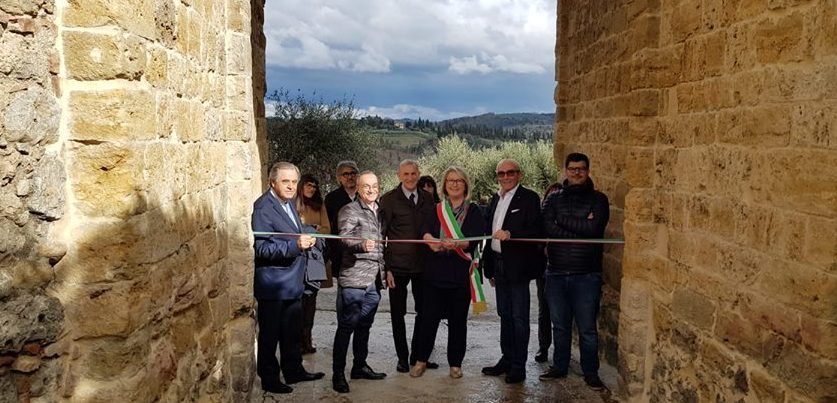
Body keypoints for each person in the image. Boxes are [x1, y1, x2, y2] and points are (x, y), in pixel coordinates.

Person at [251, 162, 326, 394]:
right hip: (274, 285)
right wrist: (296, 245)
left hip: (293, 282)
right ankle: (269, 379)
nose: (291, 186)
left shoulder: (289, 203)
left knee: (291, 332)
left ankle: (294, 371)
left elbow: (292, 232)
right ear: (272, 182)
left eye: (294, 182)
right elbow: (262, 249)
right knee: (270, 336)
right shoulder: (263, 207)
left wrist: (308, 233)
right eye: (286, 182)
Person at [540, 153, 610, 390]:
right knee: (559, 326)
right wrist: (581, 228)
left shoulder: (599, 199)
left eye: (581, 169)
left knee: (587, 328)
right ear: (566, 171)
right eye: (572, 169)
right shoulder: (553, 199)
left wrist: (561, 221)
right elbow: (546, 227)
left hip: (586, 275)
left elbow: (594, 229)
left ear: (588, 171)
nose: (576, 173)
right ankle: (560, 366)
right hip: (556, 273)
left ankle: (591, 372)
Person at [410, 166, 484, 379]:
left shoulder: (474, 210)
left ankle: (455, 363)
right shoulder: (436, 209)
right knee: (428, 319)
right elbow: (424, 231)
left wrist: (459, 243)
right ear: (444, 185)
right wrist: (430, 240)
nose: (454, 184)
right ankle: (421, 360)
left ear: (465, 185)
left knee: (458, 321)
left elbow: (476, 237)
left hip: (460, 274)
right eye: (450, 180)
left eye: (459, 180)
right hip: (434, 274)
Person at [480, 159, 543, 384]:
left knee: (519, 318)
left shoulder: (530, 198)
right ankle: (506, 359)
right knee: (504, 315)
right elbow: (489, 233)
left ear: (519, 174)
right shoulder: (495, 198)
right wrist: (489, 268)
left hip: (518, 267)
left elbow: (537, 230)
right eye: (501, 173)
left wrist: (511, 233)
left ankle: (518, 366)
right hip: (498, 264)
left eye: (510, 172)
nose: (506, 177)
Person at [331, 171, 388, 394]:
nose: (371, 190)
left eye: (374, 186)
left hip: (375, 280)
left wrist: (387, 272)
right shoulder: (349, 209)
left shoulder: (381, 211)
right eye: (366, 186)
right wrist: (361, 244)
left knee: (365, 325)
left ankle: (359, 366)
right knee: (347, 326)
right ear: (358, 188)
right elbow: (344, 237)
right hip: (354, 277)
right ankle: (338, 374)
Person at [379, 160, 437, 373]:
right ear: (399, 175)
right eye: (406, 174)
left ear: (419, 174)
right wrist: (386, 268)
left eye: (413, 174)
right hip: (397, 266)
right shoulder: (388, 200)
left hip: (424, 266)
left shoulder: (428, 198)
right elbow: (381, 235)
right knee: (398, 313)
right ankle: (402, 358)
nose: (410, 178)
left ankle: (418, 356)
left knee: (425, 312)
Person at [296, 174, 331, 355]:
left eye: (314, 186)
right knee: (297, 303)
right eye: (308, 185)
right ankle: (296, 341)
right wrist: (312, 228)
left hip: (315, 259)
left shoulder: (319, 205)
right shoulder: (293, 204)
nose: (311, 189)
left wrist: (310, 230)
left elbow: (326, 229)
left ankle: (307, 339)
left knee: (310, 302)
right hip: (297, 258)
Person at [535, 181, 563, 363]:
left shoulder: (566, 219)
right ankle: (543, 347)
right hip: (544, 269)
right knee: (544, 310)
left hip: (563, 268)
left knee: (561, 313)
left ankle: (561, 352)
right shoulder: (541, 220)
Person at [324, 161, 359, 279]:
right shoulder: (331, 199)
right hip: (340, 253)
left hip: (363, 253)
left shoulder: (365, 196)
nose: (350, 177)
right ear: (339, 178)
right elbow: (328, 226)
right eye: (345, 174)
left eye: (353, 173)